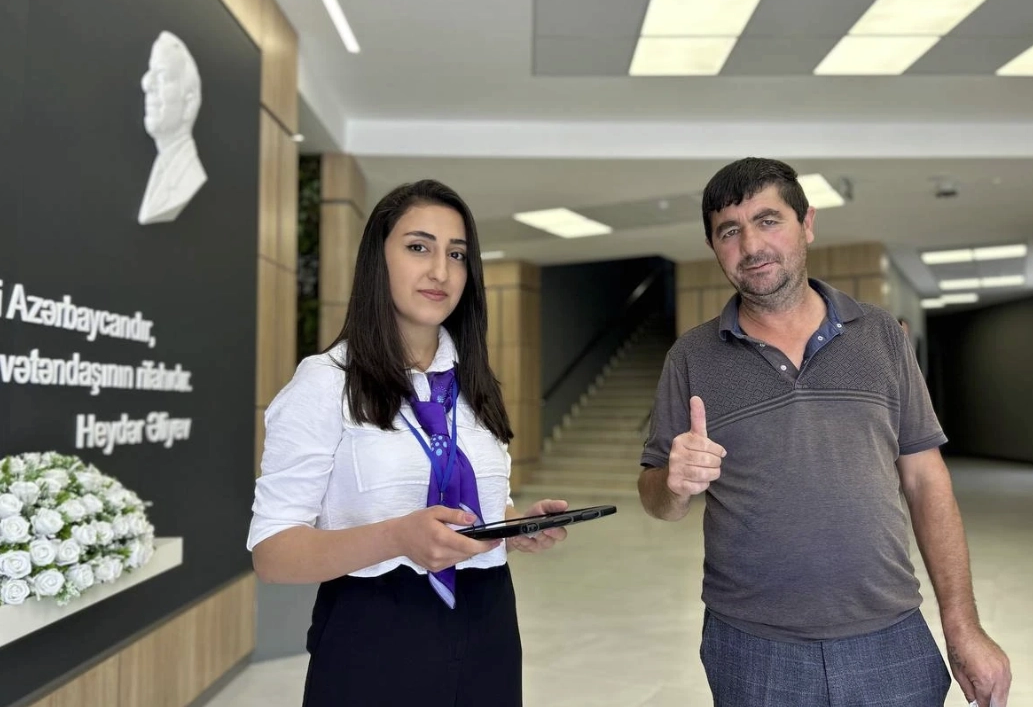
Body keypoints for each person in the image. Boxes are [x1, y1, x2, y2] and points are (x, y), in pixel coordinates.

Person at [638, 158, 1010, 707]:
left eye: (768, 221)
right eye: (729, 231)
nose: (751, 246)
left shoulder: (880, 335)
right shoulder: (690, 357)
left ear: (807, 223)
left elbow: (926, 481)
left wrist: (964, 626)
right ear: (714, 246)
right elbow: (656, 498)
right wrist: (673, 483)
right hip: (751, 647)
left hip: (890, 635)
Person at [247, 180, 567, 707]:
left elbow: (475, 508)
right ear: (378, 260)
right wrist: (396, 537)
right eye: (419, 247)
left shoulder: (476, 386)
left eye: (456, 254)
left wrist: (512, 527)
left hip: (488, 625)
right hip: (374, 633)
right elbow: (273, 554)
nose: (441, 271)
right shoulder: (325, 382)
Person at [138, 31, 206, 225]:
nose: (146, 84)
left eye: (162, 76)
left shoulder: (190, 176)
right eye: (150, 73)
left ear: (189, 101)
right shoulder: (163, 162)